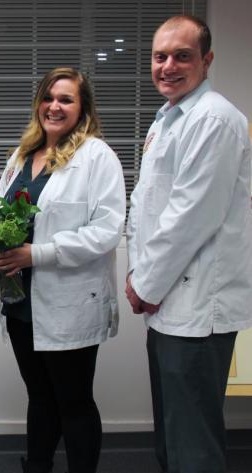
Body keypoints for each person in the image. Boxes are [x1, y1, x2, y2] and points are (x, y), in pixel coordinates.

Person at [126, 15, 252, 473]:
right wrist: (141, 275)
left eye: (183, 55)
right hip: (168, 302)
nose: (168, 66)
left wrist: (144, 284)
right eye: (160, 56)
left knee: (193, 441)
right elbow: (148, 205)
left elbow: (191, 215)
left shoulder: (214, 119)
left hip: (197, 309)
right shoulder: (169, 119)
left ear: (207, 60)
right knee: (173, 433)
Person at [0, 67, 126, 473]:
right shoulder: (21, 156)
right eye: (49, 97)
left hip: (69, 302)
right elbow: (2, 217)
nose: (55, 106)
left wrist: (40, 254)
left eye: (66, 99)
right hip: (20, 303)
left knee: (74, 401)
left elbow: (106, 231)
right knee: (39, 396)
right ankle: (37, 465)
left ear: (82, 108)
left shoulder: (97, 157)